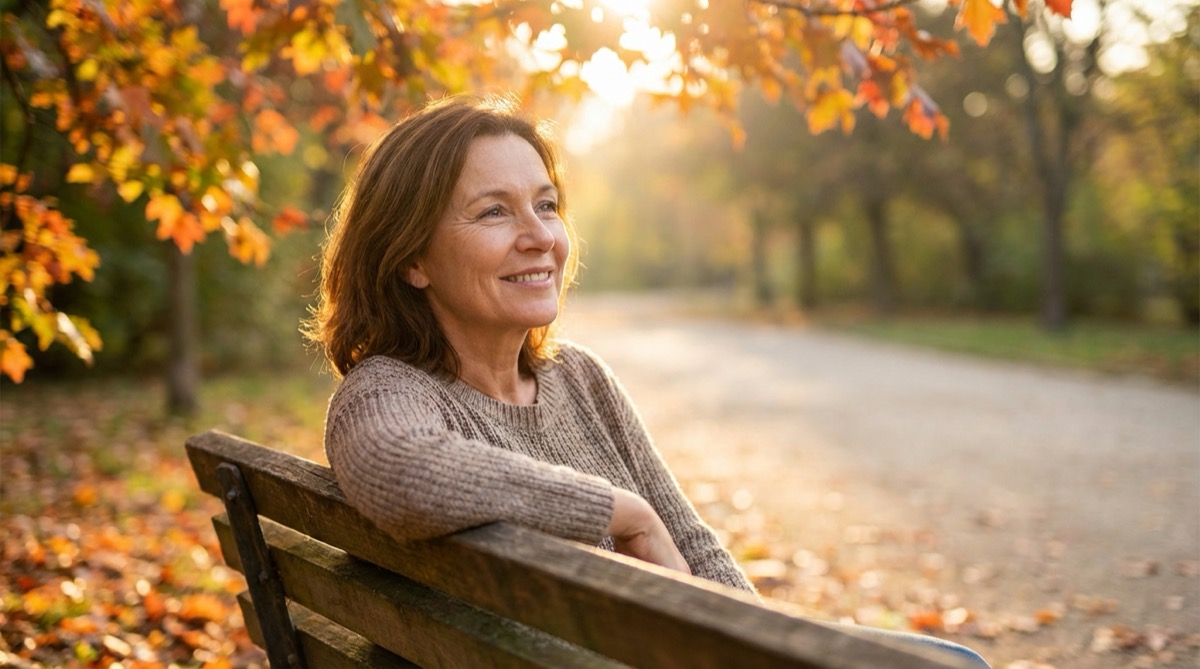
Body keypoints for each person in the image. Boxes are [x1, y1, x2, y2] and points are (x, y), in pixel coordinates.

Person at [303, 94, 991, 668]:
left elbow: (692, 545)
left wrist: (771, 646)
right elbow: (400, 470)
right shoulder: (388, 392)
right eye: (494, 211)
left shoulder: (580, 379)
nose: (539, 234)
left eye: (546, 205)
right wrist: (618, 510)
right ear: (411, 258)